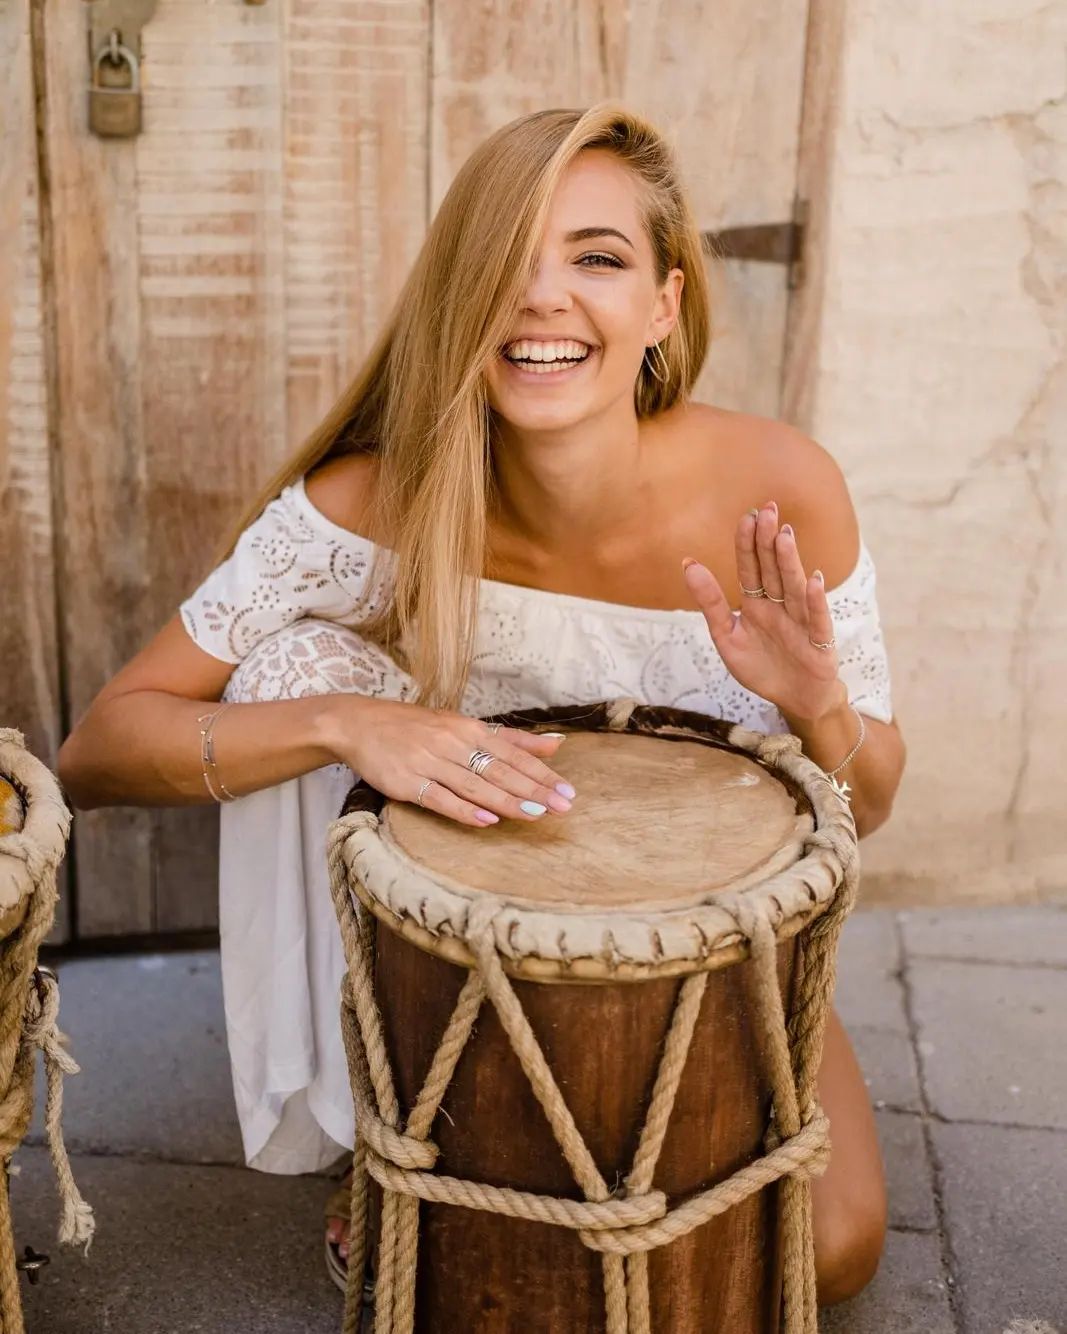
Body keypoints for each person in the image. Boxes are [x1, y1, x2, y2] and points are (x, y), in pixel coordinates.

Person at [58, 103, 905, 1308]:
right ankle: (382, 1113)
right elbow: (99, 748)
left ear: (662, 305)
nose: (542, 297)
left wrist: (818, 704)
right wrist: (348, 724)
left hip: (708, 959)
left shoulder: (777, 491)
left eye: (595, 258)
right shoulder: (372, 502)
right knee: (294, 668)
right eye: (505, 259)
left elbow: (865, 805)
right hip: (461, 965)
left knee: (827, 1250)